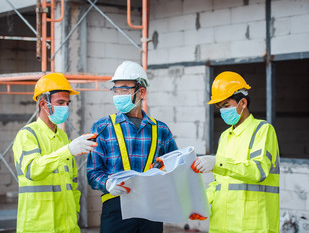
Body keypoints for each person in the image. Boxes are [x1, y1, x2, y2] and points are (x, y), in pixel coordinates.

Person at [87, 61, 178, 233]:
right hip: (116, 209)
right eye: (116, 90)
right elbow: (92, 172)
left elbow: (174, 169)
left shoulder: (161, 130)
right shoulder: (102, 128)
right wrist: (108, 183)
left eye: (125, 89)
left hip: (152, 210)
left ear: (141, 92)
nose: (118, 95)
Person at [192, 71, 280, 232]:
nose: (222, 111)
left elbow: (258, 171)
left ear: (243, 103)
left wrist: (216, 162)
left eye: (226, 106)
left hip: (251, 226)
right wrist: (201, 203)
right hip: (222, 225)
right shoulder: (225, 136)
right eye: (220, 107)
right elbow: (220, 183)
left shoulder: (263, 130)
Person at [12, 73, 97, 233]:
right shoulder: (28, 135)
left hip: (67, 226)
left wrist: (75, 211)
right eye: (60, 102)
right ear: (43, 104)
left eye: (67, 103)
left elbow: (72, 181)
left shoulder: (63, 136)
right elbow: (32, 170)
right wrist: (68, 150)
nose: (65, 107)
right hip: (38, 227)